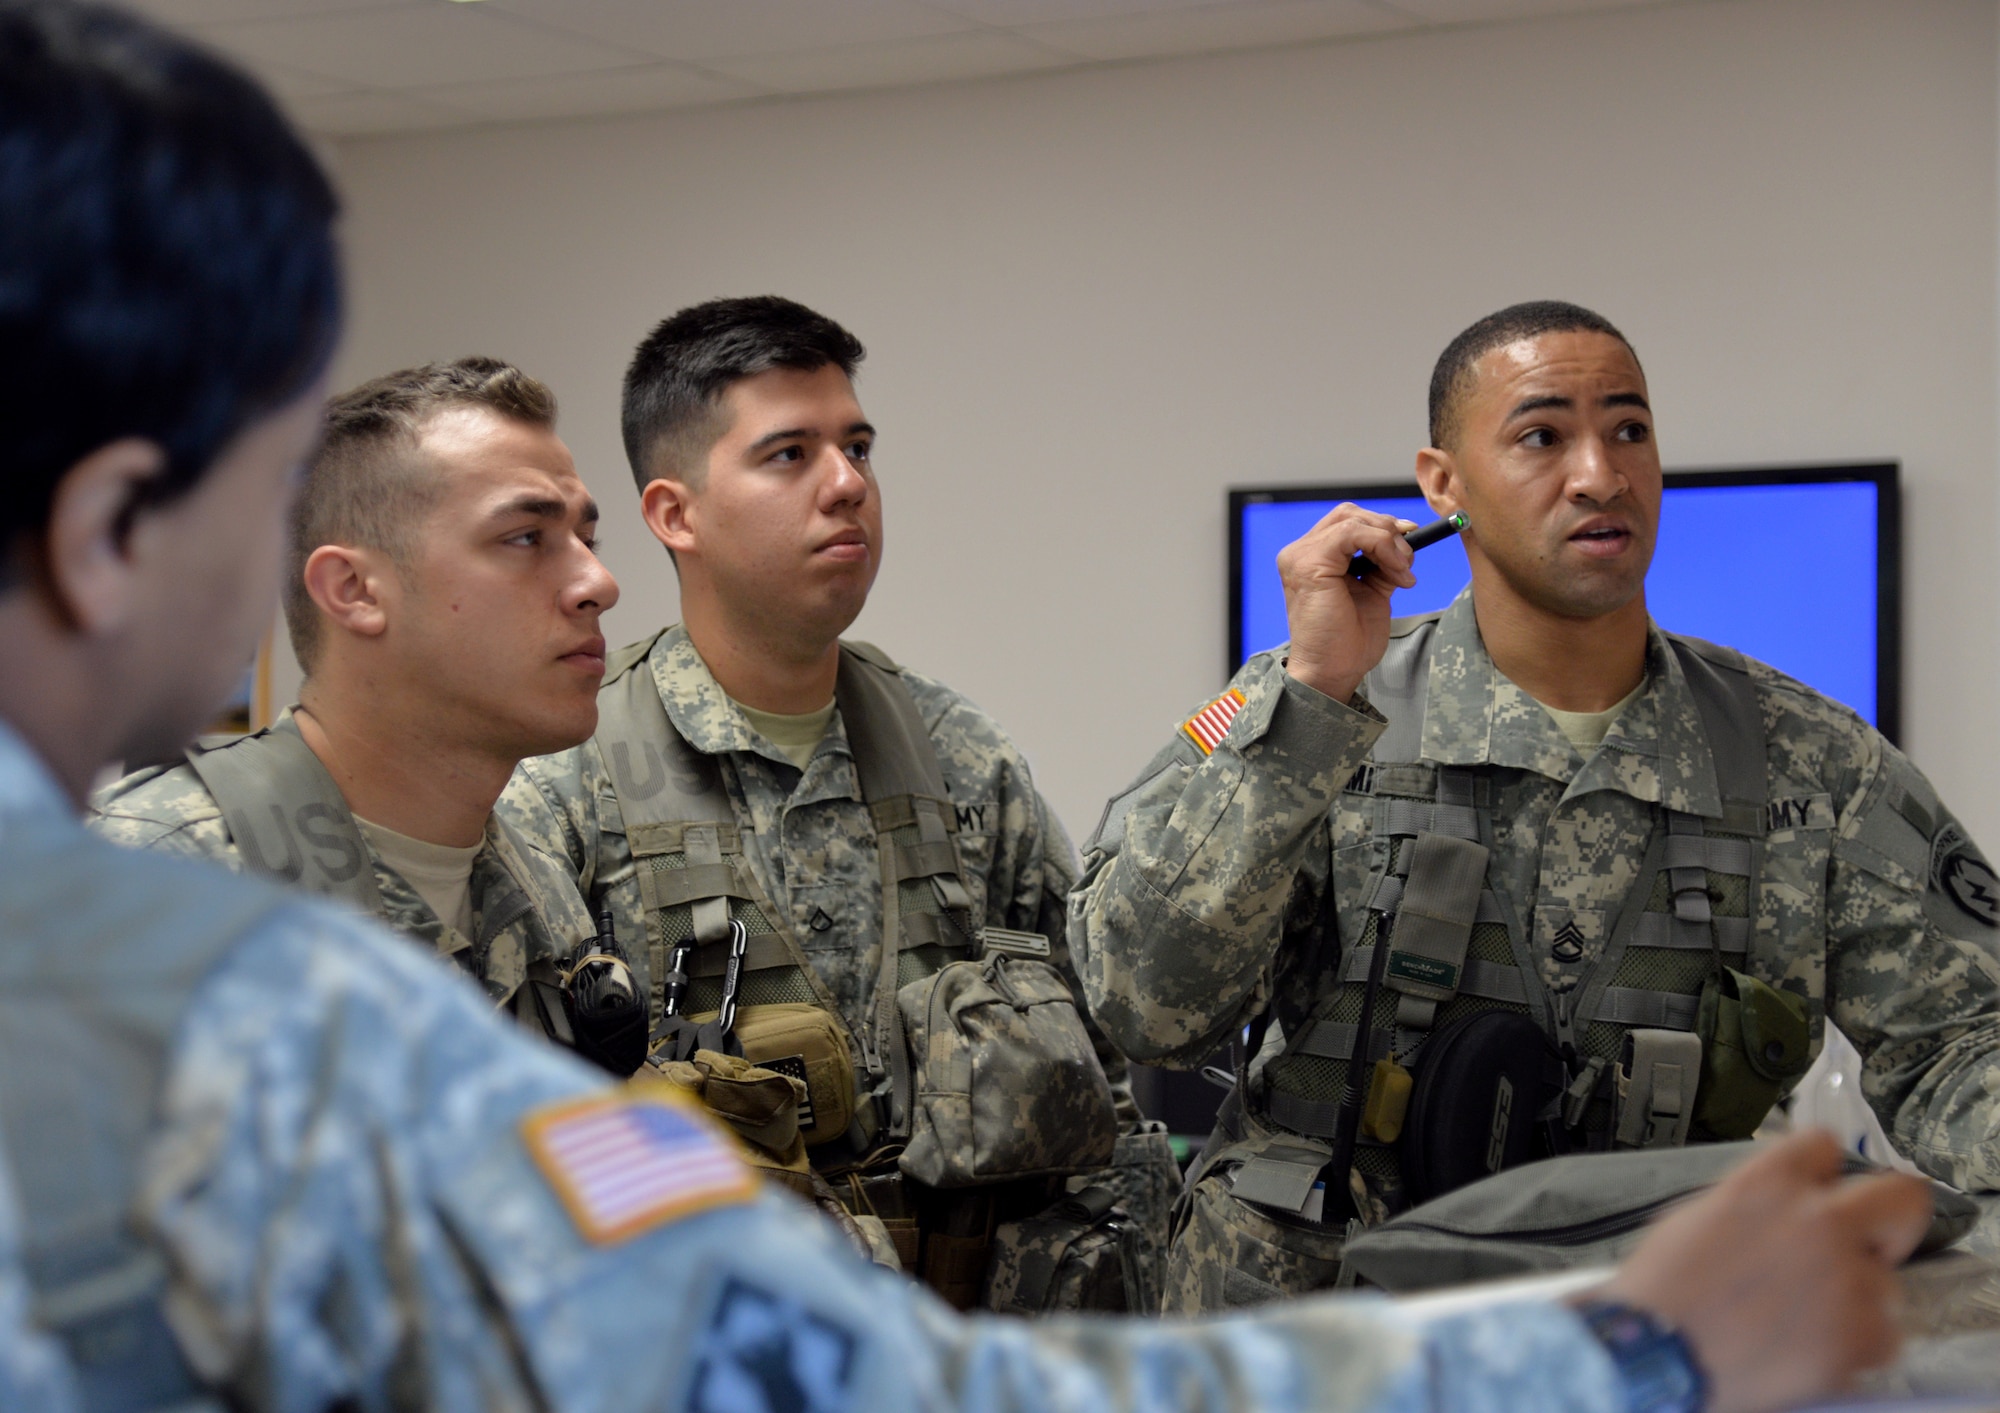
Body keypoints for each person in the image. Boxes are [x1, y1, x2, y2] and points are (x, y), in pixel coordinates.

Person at [0, 8, 1934, 1409]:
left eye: (863, 443)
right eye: (537, 537)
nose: (590, 579)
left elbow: (1025, 1133)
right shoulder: (192, 894)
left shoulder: (537, 929)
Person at [1069, 299, 2000, 1313]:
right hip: (1329, 1341)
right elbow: (1145, 1008)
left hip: (1648, 1336)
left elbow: (1963, 1039)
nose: (1599, 475)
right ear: (1442, 485)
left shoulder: (1808, 760)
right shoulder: (1308, 708)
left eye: (1628, 431)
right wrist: (1306, 707)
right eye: (1541, 435)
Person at [498, 295, 1184, 1311]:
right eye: (788, 455)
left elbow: (1099, 1075)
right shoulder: (566, 781)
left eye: (857, 447)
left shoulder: (956, 754)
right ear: (673, 514)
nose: (846, 484)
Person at [87, 357, 634, 1065]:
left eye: (586, 541)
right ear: (354, 590)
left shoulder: (532, 884)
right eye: (526, 537)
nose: (599, 582)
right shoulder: (151, 883)